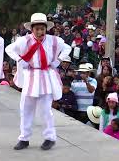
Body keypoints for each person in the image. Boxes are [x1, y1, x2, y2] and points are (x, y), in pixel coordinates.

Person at [5, 13, 71, 150]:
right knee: (26, 108)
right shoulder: (24, 40)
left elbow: (67, 48)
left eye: (42, 28)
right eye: (37, 29)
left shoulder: (54, 40)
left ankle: (50, 137)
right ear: (32, 29)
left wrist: (58, 60)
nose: (40, 31)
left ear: (46, 28)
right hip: (30, 76)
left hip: (46, 76)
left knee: (46, 109)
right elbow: (9, 49)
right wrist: (19, 60)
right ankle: (24, 138)